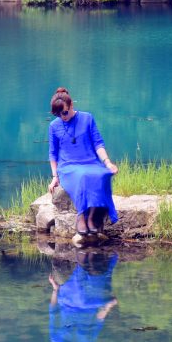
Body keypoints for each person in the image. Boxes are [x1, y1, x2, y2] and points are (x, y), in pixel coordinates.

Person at [47, 87, 119, 235]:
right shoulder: (54, 126)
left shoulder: (87, 118)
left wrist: (107, 162)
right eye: (58, 114)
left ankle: (91, 217)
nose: (62, 116)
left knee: (102, 175)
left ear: (71, 105)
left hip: (90, 162)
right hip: (68, 166)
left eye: (65, 112)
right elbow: (53, 153)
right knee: (82, 176)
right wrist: (55, 177)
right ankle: (81, 215)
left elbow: (98, 143)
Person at [47, 251, 119, 342]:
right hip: (89, 305)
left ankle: (85, 253)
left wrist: (55, 289)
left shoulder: (56, 338)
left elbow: (53, 310)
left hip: (68, 301)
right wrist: (108, 307)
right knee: (101, 282)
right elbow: (98, 321)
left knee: (81, 291)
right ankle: (107, 254)